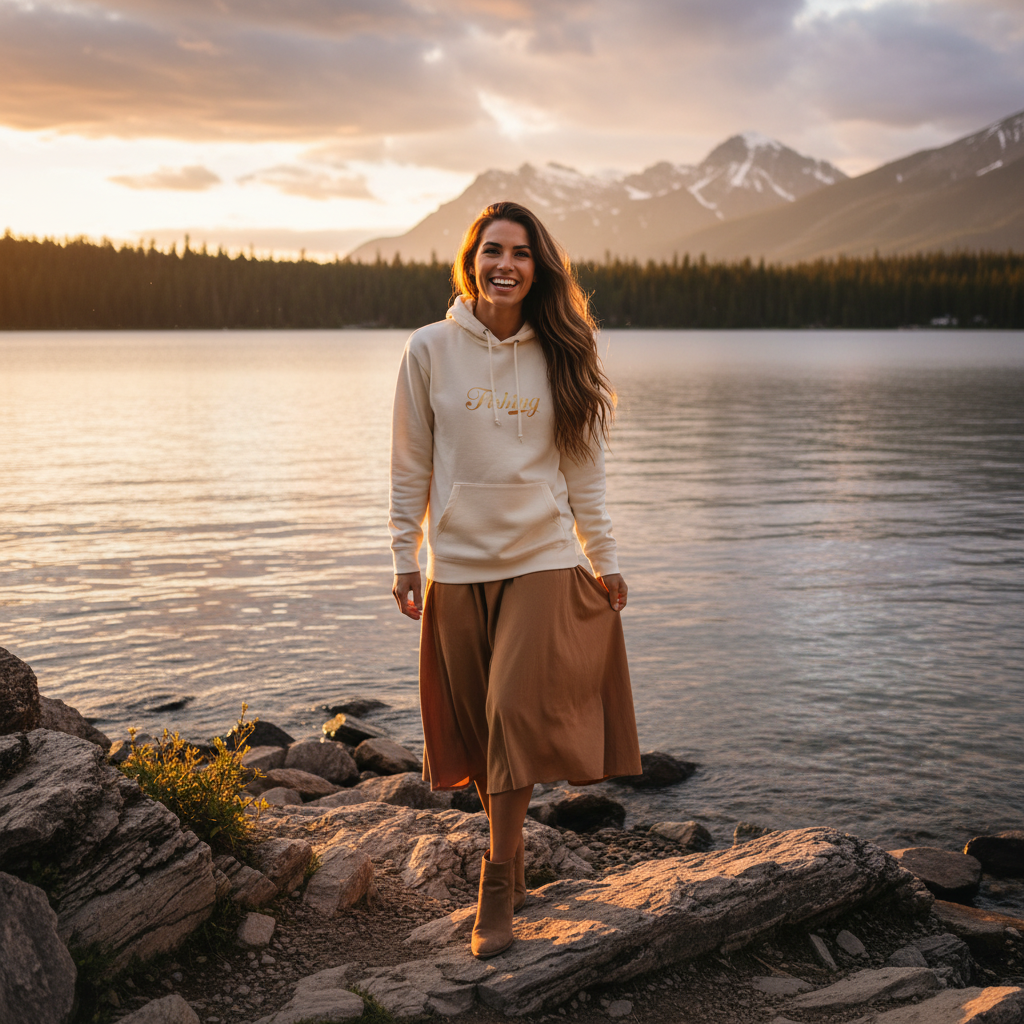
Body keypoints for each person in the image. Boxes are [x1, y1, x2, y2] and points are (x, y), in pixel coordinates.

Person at [389, 200, 642, 959]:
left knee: (509, 718)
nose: (506, 264)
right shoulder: (429, 348)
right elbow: (410, 465)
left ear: (540, 266)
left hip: (542, 557)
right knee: (477, 728)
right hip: (458, 566)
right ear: (471, 262)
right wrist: (405, 554)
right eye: (492, 250)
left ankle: (496, 885)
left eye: (522, 252)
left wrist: (605, 556)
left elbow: (583, 472)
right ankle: (516, 854)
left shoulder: (563, 351)